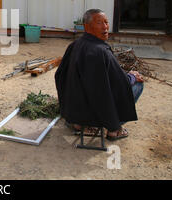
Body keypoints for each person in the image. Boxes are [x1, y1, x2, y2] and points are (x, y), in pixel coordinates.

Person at [55, 9, 144, 141]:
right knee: (137, 84)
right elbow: (115, 85)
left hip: (73, 111)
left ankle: (79, 124)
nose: (105, 27)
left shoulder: (75, 45)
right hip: (94, 112)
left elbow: (60, 75)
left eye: (106, 22)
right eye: (99, 23)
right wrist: (132, 77)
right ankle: (115, 129)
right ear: (87, 26)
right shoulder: (100, 51)